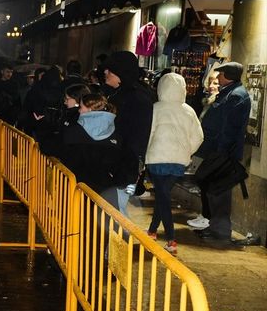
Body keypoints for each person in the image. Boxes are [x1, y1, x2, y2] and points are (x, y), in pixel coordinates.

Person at [186, 62, 256, 245]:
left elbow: (229, 128)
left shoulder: (236, 96)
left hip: (222, 154)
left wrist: (221, 153)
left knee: (219, 192)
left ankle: (220, 230)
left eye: (221, 74)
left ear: (229, 75)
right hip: (218, 152)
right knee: (212, 190)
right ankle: (215, 227)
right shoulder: (230, 93)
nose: (217, 77)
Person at [145, 72, 203, 255]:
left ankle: (171, 239)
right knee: (163, 195)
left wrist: (145, 153)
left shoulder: (154, 108)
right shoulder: (189, 110)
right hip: (179, 162)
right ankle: (153, 231)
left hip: (156, 158)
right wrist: (186, 151)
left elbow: (148, 134)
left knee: (163, 197)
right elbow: (198, 137)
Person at [102, 51, 154, 215]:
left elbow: (136, 136)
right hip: (114, 160)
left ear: (120, 73)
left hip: (124, 163)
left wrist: (130, 166)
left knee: (117, 209)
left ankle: (126, 239)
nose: (105, 73)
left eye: (110, 70)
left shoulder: (137, 98)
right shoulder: (118, 94)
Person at [50, 93, 123, 195]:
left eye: (81, 107)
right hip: (104, 188)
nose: (79, 111)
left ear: (89, 110)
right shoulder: (114, 133)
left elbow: (54, 147)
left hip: (75, 186)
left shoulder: (74, 131)